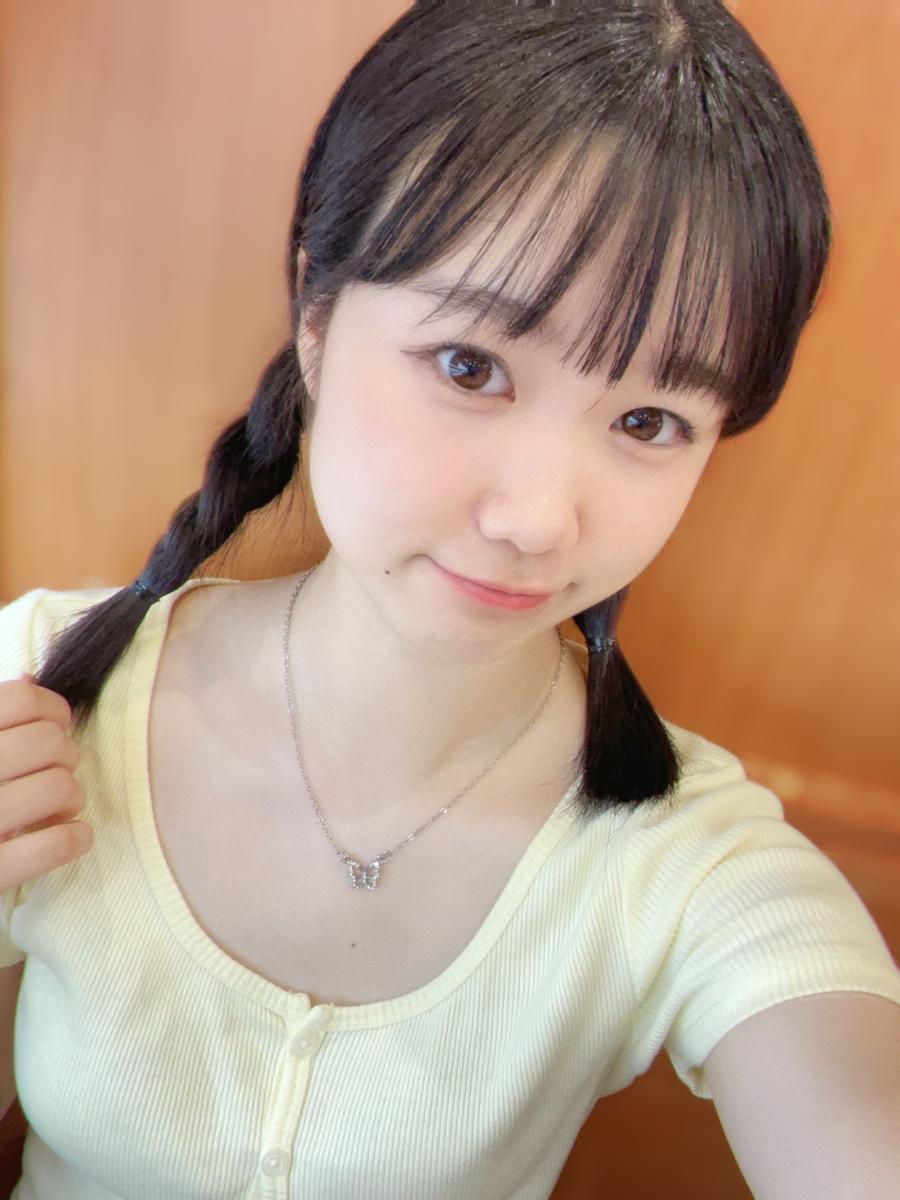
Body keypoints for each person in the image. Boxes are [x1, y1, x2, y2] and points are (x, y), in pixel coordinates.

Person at [0, 1, 898, 1197]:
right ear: (317, 316)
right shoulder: (39, 693)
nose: (538, 519)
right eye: (471, 366)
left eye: (648, 421)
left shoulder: (687, 865)